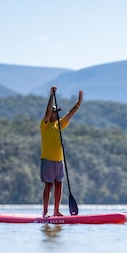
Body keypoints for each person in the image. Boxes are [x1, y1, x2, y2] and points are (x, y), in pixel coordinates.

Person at [40, 86, 83, 217]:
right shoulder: (45, 124)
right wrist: (52, 95)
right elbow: (48, 111)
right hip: (48, 160)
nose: (56, 114)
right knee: (48, 187)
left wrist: (79, 103)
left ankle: (56, 211)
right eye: (55, 112)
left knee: (59, 186)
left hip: (59, 161)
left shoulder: (59, 125)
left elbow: (70, 114)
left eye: (56, 112)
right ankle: (45, 212)